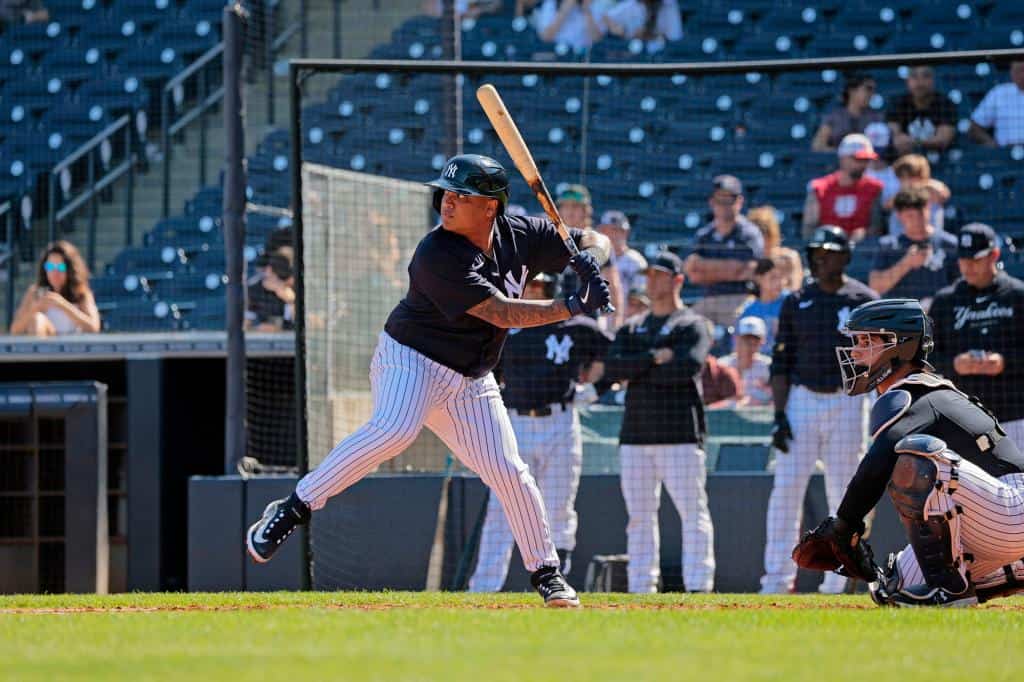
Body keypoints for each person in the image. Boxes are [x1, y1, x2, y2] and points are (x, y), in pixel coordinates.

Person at [245, 154, 613, 608]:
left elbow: (596, 239)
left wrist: (590, 260)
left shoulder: (524, 235)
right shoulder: (436, 253)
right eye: (447, 193)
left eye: (462, 196)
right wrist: (571, 306)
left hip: (471, 379)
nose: (448, 202)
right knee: (395, 428)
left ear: (490, 207)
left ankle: (546, 573)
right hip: (410, 360)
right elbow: (501, 312)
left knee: (509, 471)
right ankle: (293, 508)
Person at [801, 298, 1024, 607]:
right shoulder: (917, 390)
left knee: (916, 457)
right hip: (995, 521)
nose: (855, 351)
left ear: (900, 347)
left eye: (866, 340)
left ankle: (951, 590)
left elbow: (880, 458)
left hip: (1013, 507)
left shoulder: (911, 391)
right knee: (893, 588)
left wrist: (845, 525)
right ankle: (1012, 569)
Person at [469, 272, 613, 593]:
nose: (536, 291)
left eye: (543, 286)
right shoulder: (506, 326)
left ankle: (559, 583)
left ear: (553, 289)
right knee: (502, 507)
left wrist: (595, 389)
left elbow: (616, 356)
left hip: (559, 421)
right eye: (531, 285)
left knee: (559, 506)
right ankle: (483, 588)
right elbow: (484, 370)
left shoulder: (575, 326)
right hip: (515, 422)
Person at [760, 225, 878, 595]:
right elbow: (781, 361)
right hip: (802, 399)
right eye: (815, 254)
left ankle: (838, 578)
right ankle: (776, 579)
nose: (819, 260)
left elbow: (880, 359)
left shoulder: (864, 298)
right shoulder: (798, 300)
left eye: (828, 253)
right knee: (786, 489)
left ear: (844, 256)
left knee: (844, 493)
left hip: (849, 399)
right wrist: (779, 416)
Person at [603, 251, 716, 593]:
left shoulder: (692, 324)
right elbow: (613, 369)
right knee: (639, 517)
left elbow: (687, 367)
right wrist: (654, 358)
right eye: (649, 274)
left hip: (679, 433)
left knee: (692, 513)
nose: (651, 281)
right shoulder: (634, 327)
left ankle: (698, 583)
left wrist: (639, 369)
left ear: (677, 280)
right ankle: (641, 585)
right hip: (636, 435)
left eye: (659, 275)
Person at [929, 223, 1024, 448]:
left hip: (1015, 414)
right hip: (962, 418)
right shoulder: (944, 301)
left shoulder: (1018, 295)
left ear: (994, 255)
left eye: (975, 259)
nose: (968, 266)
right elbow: (926, 358)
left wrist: (1004, 362)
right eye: (963, 259)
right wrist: (954, 364)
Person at [683, 175, 764, 327]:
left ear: (739, 201)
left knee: (741, 327)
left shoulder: (749, 233)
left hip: (739, 297)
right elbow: (693, 274)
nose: (724, 205)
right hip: (709, 298)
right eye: (720, 199)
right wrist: (731, 268)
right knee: (687, 326)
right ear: (712, 202)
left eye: (729, 199)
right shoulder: (704, 235)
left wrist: (706, 267)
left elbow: (748, 271)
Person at [868, 187, 958, 308]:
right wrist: (907, 263)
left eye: (921, 213)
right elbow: (875, 287)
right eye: (910, 215)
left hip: (939, 315)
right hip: (901, 317)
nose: (917, 220)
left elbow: (961, 286)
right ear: (899, 216)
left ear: (929, 209)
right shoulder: (888, 245)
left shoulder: (950, 243)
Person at [558, 185, 623, 327]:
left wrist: (612, 324)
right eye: (565, 206)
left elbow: (613, 286)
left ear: (585, 210)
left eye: (575, 206)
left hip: (588, 322)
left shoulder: (598, 242)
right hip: (554, 316)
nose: (570, 211)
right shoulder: (551, 239)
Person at [803, 133, 885, 242]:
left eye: (866, 160)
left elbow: (876, 227)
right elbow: (809, 229)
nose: (863, 165)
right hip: (826, 250)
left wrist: (864, 235)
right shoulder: (819, 188)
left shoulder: (875, 188)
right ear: (843, 158)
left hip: (862, 252)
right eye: (858, 159)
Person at [10, 240, 100, 336]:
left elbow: (94, 327)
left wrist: (62, 304)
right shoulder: (35, 292)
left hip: (72, 347)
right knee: (37, 319)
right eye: (50, 267)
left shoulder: (81, 292)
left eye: (60, 267)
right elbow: (14, 330)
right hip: (45, 346)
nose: (54, 272)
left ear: (70, 270)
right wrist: (36, 307)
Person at [886, 65, 958, 155]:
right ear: (907, 81)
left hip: (942, 165)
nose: (920, 82)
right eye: (914, 76)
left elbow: (942, 141)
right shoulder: (897, 103)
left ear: (933, 80)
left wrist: (914, 142)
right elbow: (896, 140)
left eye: (926, 76)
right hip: (906, 164)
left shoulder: (945, 104)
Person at [812, 72, 883, 152]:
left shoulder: (875, 118)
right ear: (852, 90)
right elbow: (818, 146)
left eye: (873, 90)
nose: (872, 94)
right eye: (868, 89)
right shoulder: (834, 116)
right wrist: (844, 153)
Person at [882, 154, 950, 237]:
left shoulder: (933, 188)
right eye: (902, 177)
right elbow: (886, 205)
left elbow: (944, 194)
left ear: (921, 175)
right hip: (902, 240)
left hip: (930, 238)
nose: (906, 181)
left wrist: (921, 187)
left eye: (910, 176)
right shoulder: (900, 193)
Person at [736, 257, 787, 355]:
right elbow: (738, 347)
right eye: (773, 277)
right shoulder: (748, 311)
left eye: (781, 277)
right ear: (759, 278)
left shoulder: (791, 302)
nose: (779, 283)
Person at [718, 316, 772, 407]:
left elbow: (774, 399)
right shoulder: (722, 365)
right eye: (746, 339)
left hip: (760, 417)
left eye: (755, 340)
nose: (750, 344)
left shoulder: (769, 366)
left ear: (762, 341)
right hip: (727, 416)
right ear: (736, 339)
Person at [746, 205, 803, 291]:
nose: (759, 240)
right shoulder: (746, 261)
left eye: (764, 232)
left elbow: (795, 291)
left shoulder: (789, 258)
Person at [969, 59, 1024, 148]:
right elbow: (975, 128)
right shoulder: (999, 92)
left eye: (1023, 70)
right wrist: (992, 144)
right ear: (1011, 72)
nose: (1021, 75)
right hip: (1006, 153)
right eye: (1017, 71)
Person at [596, 209, 647, 296]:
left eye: (616, 230)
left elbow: (641, 296)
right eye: (606, 230)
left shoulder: (636, 261)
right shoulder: (595, 258)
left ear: (626, 232)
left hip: (625, 308)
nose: (611, 235)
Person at [246, 247, 295, 332]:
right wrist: (257, 328)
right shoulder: (255, 289)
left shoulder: (292, 288)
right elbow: (245, 325)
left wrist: (290, 300)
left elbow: (302, 324)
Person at [529, 0, 610, 51]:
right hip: (558, 52)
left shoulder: (593, 4)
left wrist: (586, 10)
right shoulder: (551, 3)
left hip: (585, 54)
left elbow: (597, 39)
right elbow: (545, 36)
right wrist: (565, 9)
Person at [603, 0, 682, 46]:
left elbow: (674, 38)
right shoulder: (633, 4)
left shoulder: (668, 6)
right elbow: (606, 17)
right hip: (634, 54)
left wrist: (647, 36)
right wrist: (619, 29)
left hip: (662, 56)